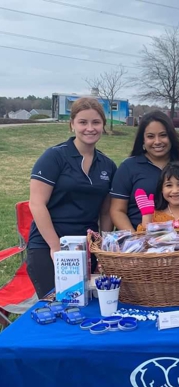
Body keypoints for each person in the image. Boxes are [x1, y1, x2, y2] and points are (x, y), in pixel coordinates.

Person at [27, 97, 117, 298]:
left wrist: (103, 248)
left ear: (103, 125)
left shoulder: (108, 165)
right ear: (72, 125)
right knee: (56, 305)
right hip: (48, 246)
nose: (90, 128)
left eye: (96, 122)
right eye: (83, 122)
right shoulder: (54, 157)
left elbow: (105, 212)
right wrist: (55, 247)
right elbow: (37, 204)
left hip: (86, 248)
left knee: (87, 306)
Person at [110, 111, 179, 231]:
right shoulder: (128, 167)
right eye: (150, 136)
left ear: (171, 136)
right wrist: (137, 240)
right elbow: (117, 210)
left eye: (163, 135)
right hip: (137, 241)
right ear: (143, 140)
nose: (157, 141)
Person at [135, 161, 179, 231]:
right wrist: (147, 216)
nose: (175, 191)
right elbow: (143, 240)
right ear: (161, 189)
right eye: (169, 185)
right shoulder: (154, 215)